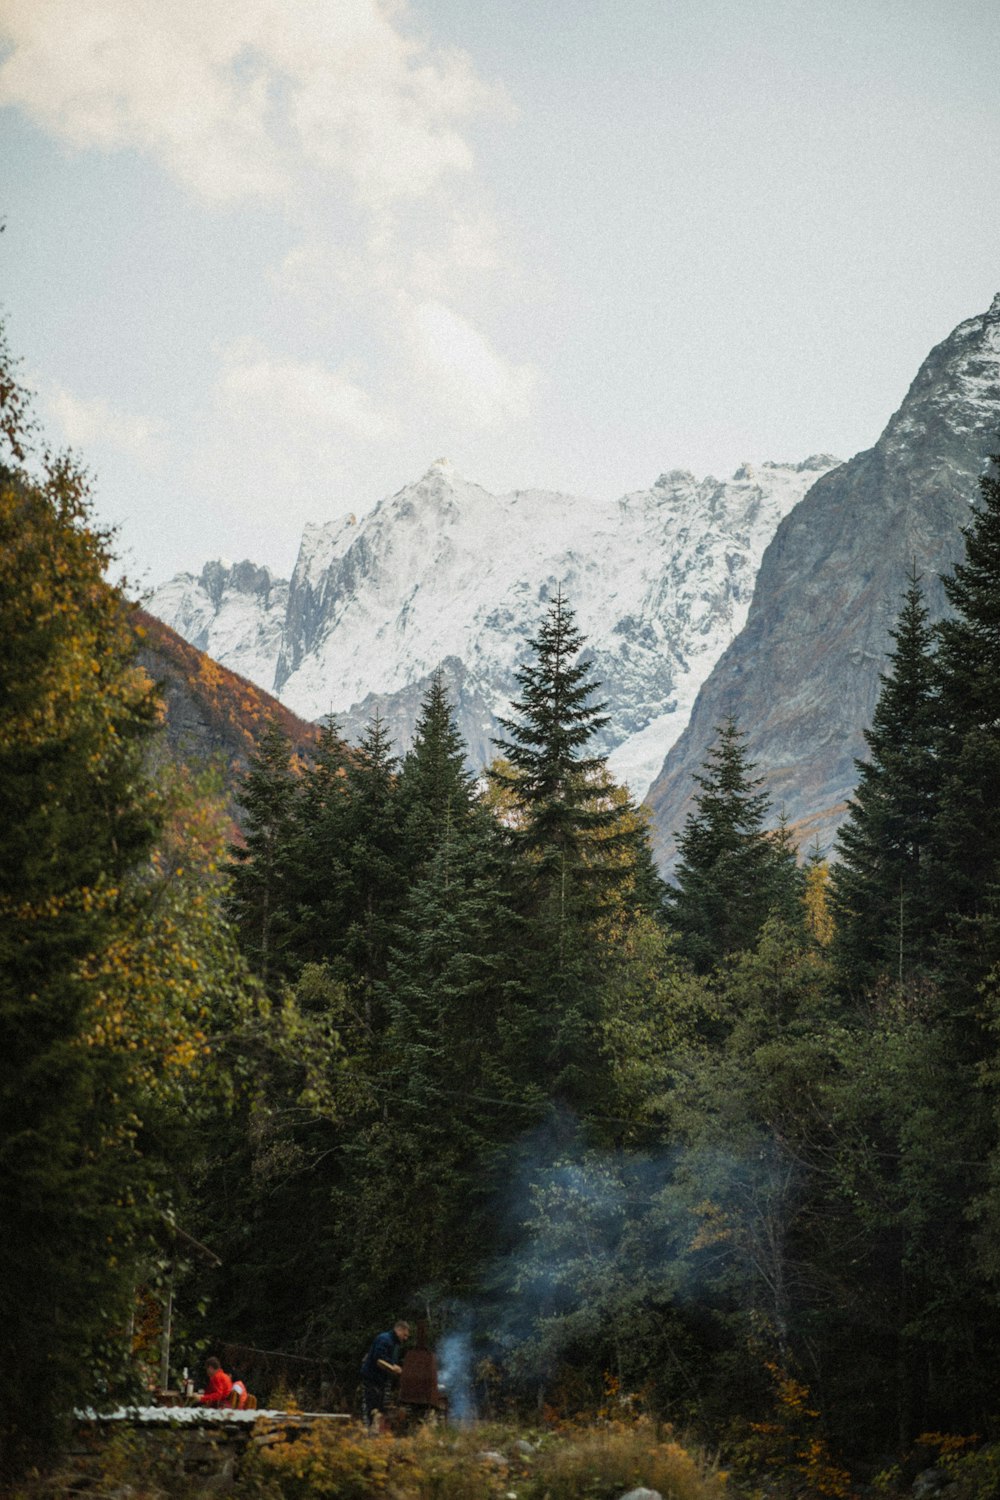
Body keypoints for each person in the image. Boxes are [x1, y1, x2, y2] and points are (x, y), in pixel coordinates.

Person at [360, 1320, 410, 1430]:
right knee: (372, 1405)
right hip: (372, 1377)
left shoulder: (394, 1343)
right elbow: (379, 1358)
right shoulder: (384, 1339)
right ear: (399, 1330)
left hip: (381, 1379)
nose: (405, 1338)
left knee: (379, 1406)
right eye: (404, 1335)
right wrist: (393, 1366)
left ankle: (376, 1429)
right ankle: (369, 1430)